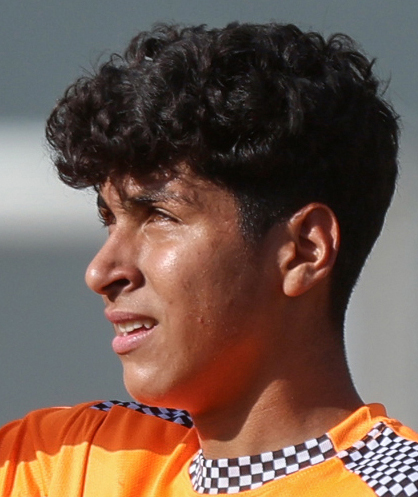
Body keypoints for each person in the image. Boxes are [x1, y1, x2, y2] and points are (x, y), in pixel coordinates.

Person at [1, 21, 417, 497]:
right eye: (110, 220)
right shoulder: (64, 461)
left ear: (305, 250)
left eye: (159, 216)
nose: (100, 272)